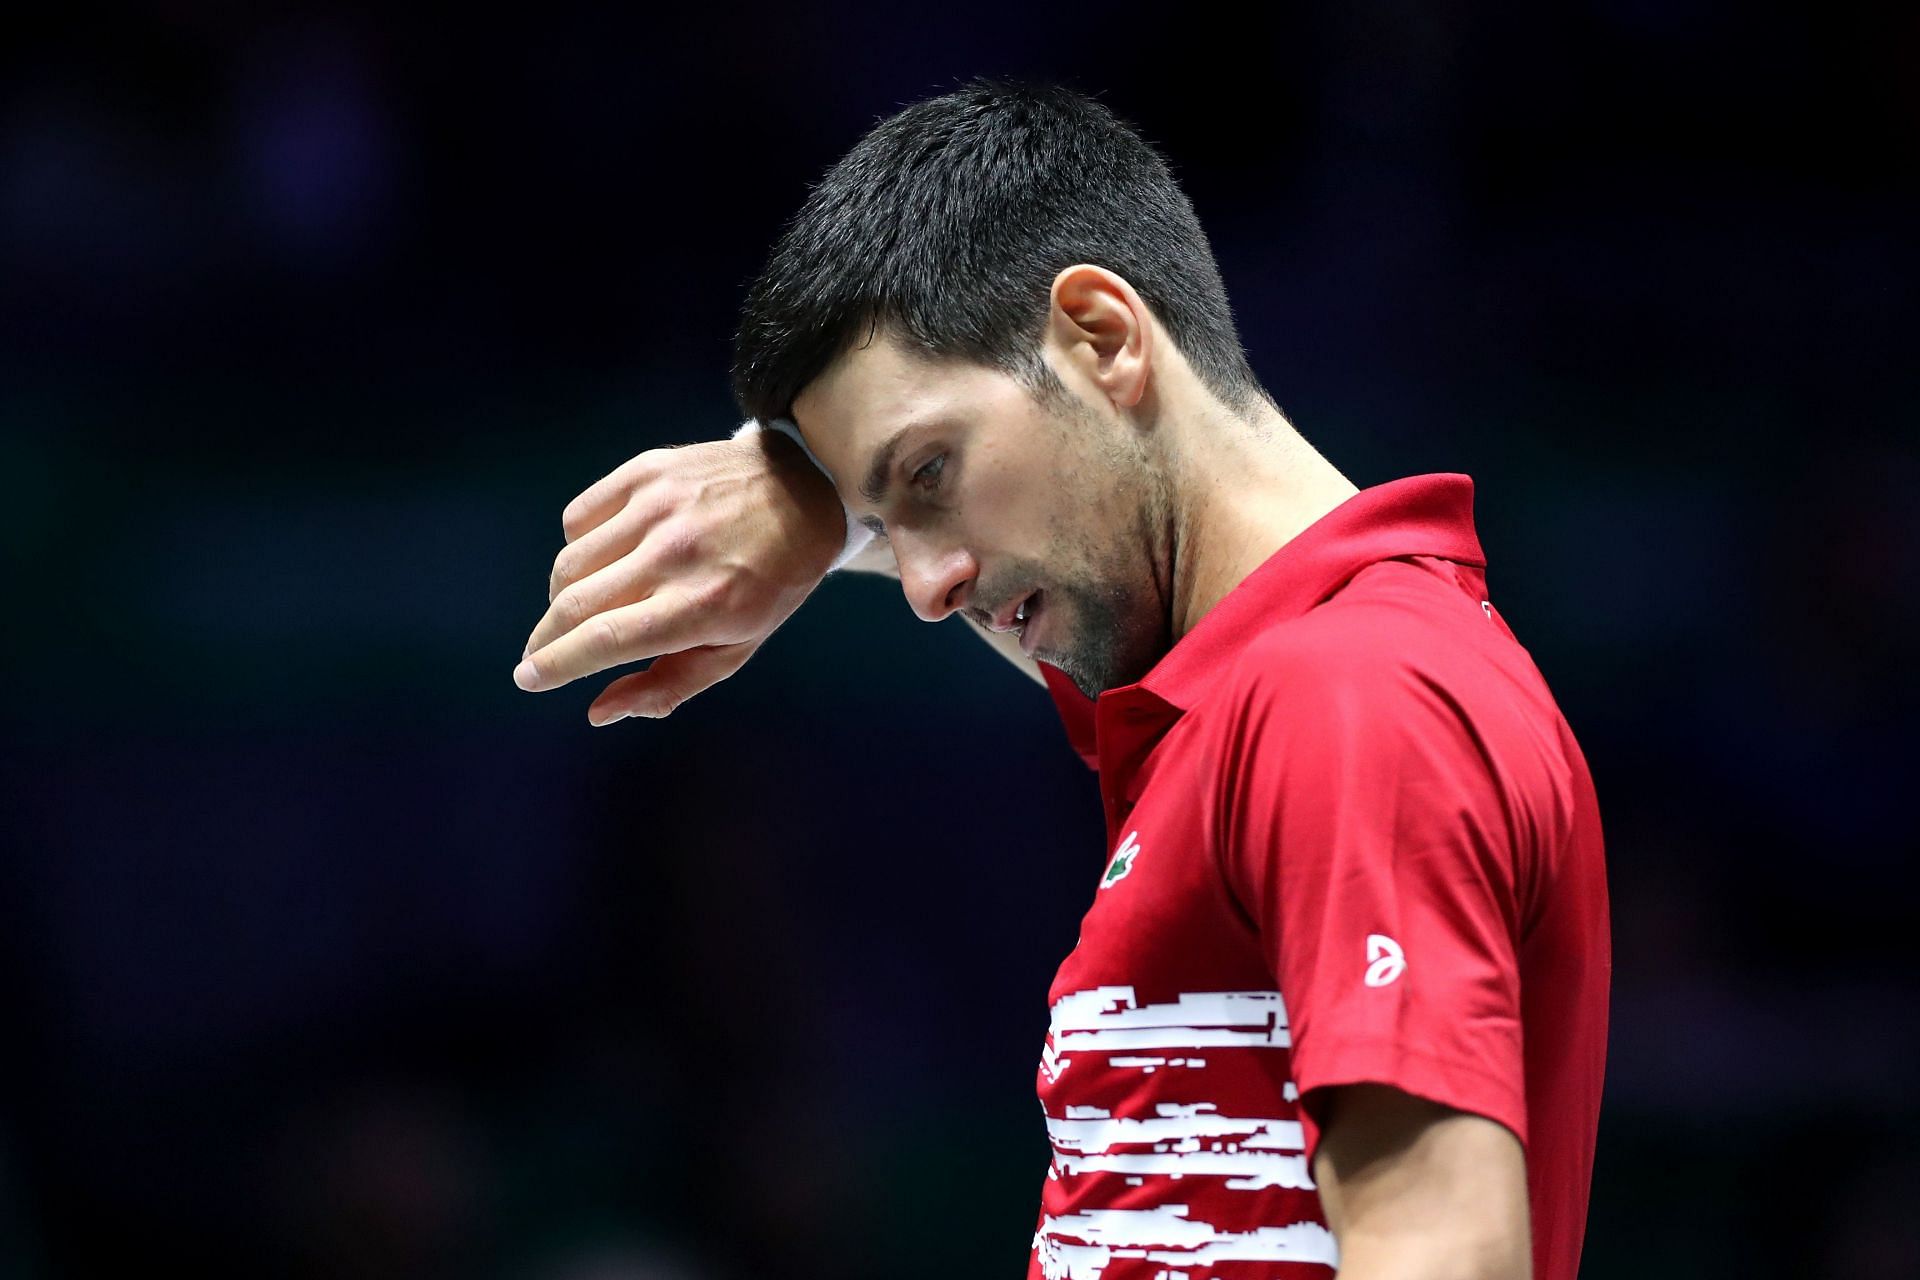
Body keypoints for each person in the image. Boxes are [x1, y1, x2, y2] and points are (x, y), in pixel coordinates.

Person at [514, 76, 1609, 1280]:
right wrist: (824, 516)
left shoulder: (1351, 694)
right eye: (889, 518)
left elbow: (1442, 1247)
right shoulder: (1228, 699)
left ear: (1102, 337)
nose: (924, 585)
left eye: (928, 469)